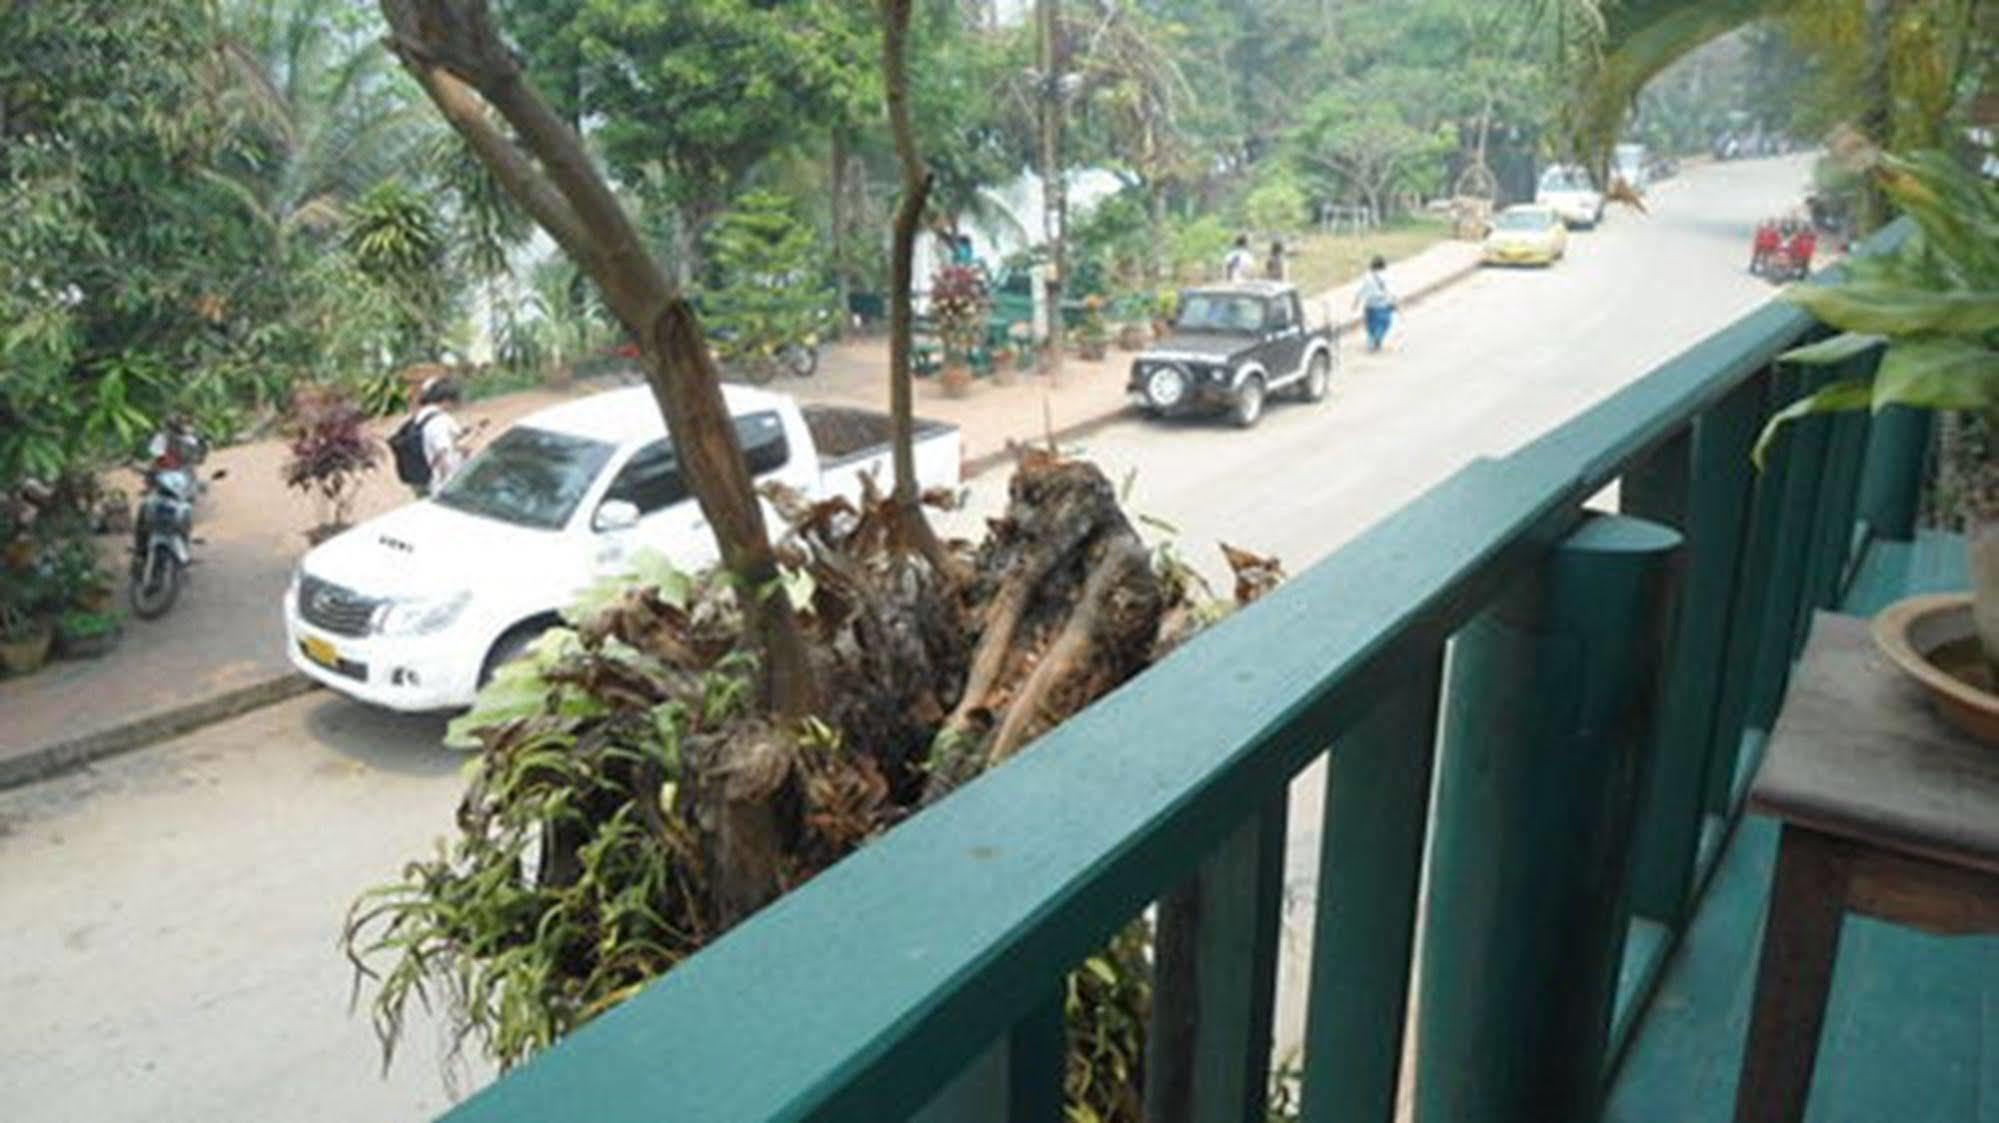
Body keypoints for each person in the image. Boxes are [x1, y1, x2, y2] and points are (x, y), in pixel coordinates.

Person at [412, 377, 466, 495]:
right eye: (455, 401)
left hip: (427, 477)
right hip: (442, 484)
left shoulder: (422, 416)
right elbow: (443, 455)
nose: (456, 405)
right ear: (446, 400)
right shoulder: (440, 421)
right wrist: (451, 484)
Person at [1354, 255, 1397, 352]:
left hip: (1369, 305)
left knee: (1370, 325)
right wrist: (1395, 301)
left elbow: (1360, 290)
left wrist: (1356, 302)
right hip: (1383, 305)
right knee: (1384, 323)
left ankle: (1371, 340)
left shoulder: (1367, 276)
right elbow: (1392, 291)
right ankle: (1377, 338)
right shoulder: (1387, 276)